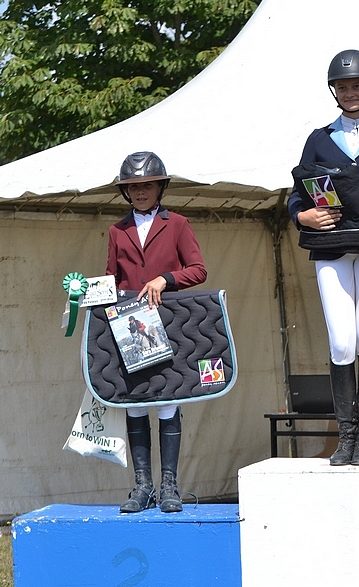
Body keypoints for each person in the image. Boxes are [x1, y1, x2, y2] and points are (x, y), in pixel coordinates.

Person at [287, 49, 359, 466]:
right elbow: (297, 192)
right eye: (343, 86)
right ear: (333, 91)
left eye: (357, 85)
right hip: (331, 246)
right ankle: (346, 434)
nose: (350, 92)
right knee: (341, 341)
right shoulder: (319, 139)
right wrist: (302, 215)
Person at [108, 151, 207, 513]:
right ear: (126, 192)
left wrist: (167, 279)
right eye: (133, 187)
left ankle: (169, 485)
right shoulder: (116, 231)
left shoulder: (178, 224)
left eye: (146, 185)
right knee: (135, 405)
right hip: (129, 324)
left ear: (160, 187)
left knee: (167, 400)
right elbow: (112, 279)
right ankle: (142, 485)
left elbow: (198, 270)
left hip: (166, 322)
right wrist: (91, 293)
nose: (140, 192)